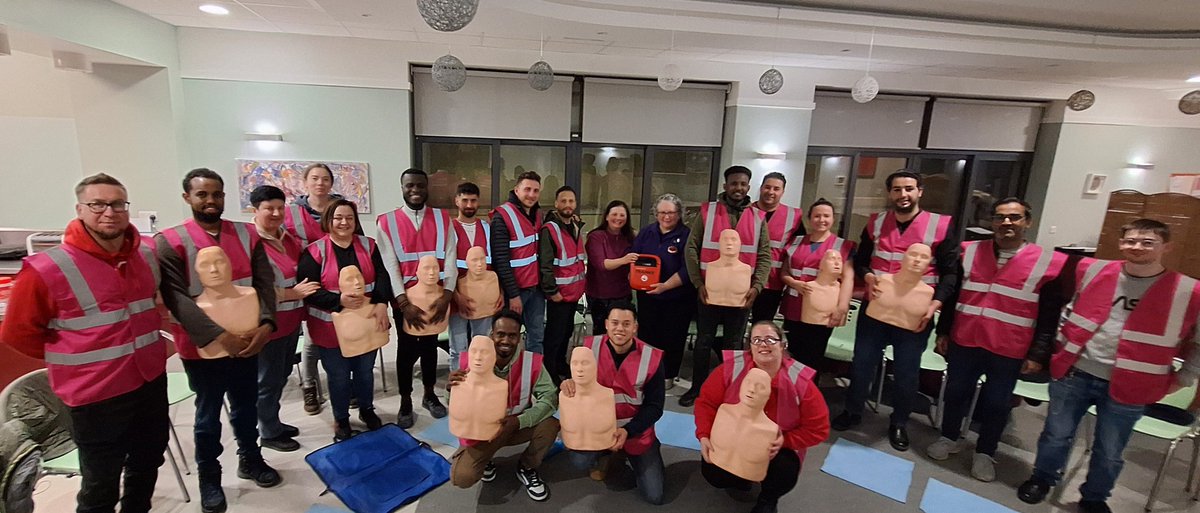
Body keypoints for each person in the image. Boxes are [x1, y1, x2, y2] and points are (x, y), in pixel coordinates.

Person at [1, 174, 169, 513]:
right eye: (98, 204)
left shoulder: (145, 256)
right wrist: (76, 358)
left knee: (148, 460)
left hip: (149, 379)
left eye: (118, 204)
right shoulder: (47, 268)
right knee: (100, 481)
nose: (109, 212)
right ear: (80, 209)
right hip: (96, 393)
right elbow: (18, 334)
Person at [1017, 219, 1200, 513]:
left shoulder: (1189, 290)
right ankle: (1042, 478)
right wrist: (1063, 344)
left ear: (1167, 247)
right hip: (1075, 372)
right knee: (1055, 435)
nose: (1137, 247)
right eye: (1130, 240)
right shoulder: (1094, 269)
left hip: (1132, 384)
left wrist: (1186, 378)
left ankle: (1094, 498)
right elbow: (1071, 309)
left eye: (1147, 242)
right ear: (1121, 242)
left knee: (1110, 450)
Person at [156, 168, 281, 513]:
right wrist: (218, 336)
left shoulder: (246, 235)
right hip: (202, 348)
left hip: (248, 339)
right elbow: (176, 297)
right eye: (202, 195)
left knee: (245, 406)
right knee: (207, 415)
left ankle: (250, 458)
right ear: (187, 198)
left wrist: (267, 324)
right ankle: (209, 477)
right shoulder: (170, 241)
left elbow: (264, 282)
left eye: (217, 194)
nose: (210, 201)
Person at [925, 198, 1069, 481]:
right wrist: (943, 331)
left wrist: (1038, 353)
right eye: (1000, 218)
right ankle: (949, 437)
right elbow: (953, 297)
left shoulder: (1048, 262)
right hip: (965, 339)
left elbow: (1049, 315)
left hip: (1009, 347)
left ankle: (985, 453)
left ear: (1027, 222)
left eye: (1014, 218)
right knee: (955, 394)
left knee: (997, 403)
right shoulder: (968, 252)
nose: (1006, 223)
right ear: (991, 222)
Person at [832, 170, 959, 453]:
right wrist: (867, 277)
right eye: (897, 189)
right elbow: (862, 261)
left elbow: (951, 274)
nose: (903, 194)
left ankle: (899, 422)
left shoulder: (939, 226)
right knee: (862, 362)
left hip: (914, 314)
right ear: (890, 193)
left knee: (906, 371)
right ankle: (853, 410)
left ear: (919, 192)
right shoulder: (876, 223)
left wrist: (935, 305)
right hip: (876, 308)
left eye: (909, 189)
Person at [694, 321, 829, 513]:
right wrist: (704, 435)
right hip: (734, 438)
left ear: (783, 345)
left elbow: (819, 429)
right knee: (713, 472)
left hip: (776, 449)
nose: (763, 344)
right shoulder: (731, 369)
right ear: (749, 346)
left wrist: (785, 440)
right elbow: (706, 403)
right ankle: (739, 478)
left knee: (784, 470)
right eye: (756, 340)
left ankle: (768, 498)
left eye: (771, 339)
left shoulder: (800, 382)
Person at [298, 199, 392, 442]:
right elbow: (308, 291)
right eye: (338, 217)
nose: (344, 222)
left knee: (364, 372)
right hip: (330, 331)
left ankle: (367, 410)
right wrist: (339, 300)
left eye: (349, 218)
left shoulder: (369, 245)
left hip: (366, 324)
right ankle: (340, 419)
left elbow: (382, 277)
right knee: (338, 376)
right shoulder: (314, 252)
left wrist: (382, 303)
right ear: (328, 220)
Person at [680, 166, 771, 407]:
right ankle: (698, 389)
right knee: (704, 341)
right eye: (734, 184)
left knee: (734, 344)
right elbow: (691, 248)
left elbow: (764, 255)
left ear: (748, 187)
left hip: (741, 296)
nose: (738, 188)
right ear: (725, 186)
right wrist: (697, 283)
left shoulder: (758, 217)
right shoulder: (708, 212)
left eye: (743, 184)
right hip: (708, 292)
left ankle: (730, 391)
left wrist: (757, 287)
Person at [448, 310, 560, 502]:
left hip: (516, 425)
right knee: (461, 478)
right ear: (491, 334)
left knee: (551, 425)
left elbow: (549, 398)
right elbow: (456, 408)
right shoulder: (471, 361)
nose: (506, 340)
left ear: (519, 337)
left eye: (512, 335)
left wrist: (519, 421)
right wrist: (450, 389)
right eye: (500, 334)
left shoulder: (531, 362)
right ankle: (486, 459)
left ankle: (527, 467)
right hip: (482, 433)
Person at [562, 302, 666, 505]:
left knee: (655, 495)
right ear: (607, 324)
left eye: (627, 324)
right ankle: (605, 455)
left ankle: (646, 452)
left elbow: (655, 407)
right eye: (615, 323)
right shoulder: (588, 348)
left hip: (635, 432)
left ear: (635, 327)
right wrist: (568, 382)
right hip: (595, 429)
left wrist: (629, 430)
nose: (620, 329)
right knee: (578, 461)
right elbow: (572, 378)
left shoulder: (651, 358)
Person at [376, 168, 457, 428]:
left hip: (436, 297)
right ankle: (405, 400)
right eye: (410, 186)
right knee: (407, 350)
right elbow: (391, 265)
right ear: (402, 188)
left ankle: (430, 394)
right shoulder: (386, 222)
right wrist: (403, 303)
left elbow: (452, 256)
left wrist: (447, 294)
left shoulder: (443, 218)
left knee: (430, 347)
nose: (415, 190)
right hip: (407, 301)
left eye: (420, 185)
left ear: (427, 187)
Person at [249, 185, 320, 452]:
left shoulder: (288, 238)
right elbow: (250, 289)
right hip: (268, 324)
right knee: (267, 380)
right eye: (269, 208)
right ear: (255, 210)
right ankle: (267, 432)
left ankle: (273, 423)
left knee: (281, 375)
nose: (276, 213)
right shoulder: (250, 242)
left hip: (292, 322)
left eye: (280, 208)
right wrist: (291, 293)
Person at [778, 199, 855, 375]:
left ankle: (809, 396)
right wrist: (794, 283)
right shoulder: (795, 242)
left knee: (813, 356)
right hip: (794, 307)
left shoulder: (842, 246)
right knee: (791, 353)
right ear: (809, 218)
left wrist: (841, 307)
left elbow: (848, 278)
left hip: (822, 310)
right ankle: (790, 393)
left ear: (833, 218)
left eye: (826, 216)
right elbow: (784, 273)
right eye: (817, 216)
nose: (821, 220)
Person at [287, 163, 340, 416]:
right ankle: (310, 385)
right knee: (312, 339)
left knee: (340, 335)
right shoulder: (293, 213)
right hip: (310, 281)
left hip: (339, 281)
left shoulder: (341, 207)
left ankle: (343, 385)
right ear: (305, 183)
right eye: (315, 178)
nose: (320, 183)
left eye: (325, 179)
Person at [631, 193, 696, 389]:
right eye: (661, 212)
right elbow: (634, 257)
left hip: (676, 298)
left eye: (671, 212)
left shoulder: (687, 235)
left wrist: (665, 286)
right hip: (648, 296)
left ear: (679, 213)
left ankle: (668, 377)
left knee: (672, 337)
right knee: (647, 335)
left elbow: (688, 268)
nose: (666, 217)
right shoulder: (646, 232)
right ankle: (646, 373)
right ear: (655, 213)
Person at [490, 171, 546, 353]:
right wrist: (513, 294)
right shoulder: (502, 216)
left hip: (536, 290)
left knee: (536, 337)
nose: (531, 194)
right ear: (516, 190)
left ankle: (534, 376)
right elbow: (501, 260)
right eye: (527, 189)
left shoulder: (538, 215)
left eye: (536, 190)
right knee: (507, 339)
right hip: (515, 292)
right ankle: (506, 377)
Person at [539, 186, 586, 382]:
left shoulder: (574, 226)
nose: (568, 205)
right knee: (554, 337)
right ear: (556, 204)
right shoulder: (550, 229)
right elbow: (545, 264)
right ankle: (550, 374)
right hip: (559, 295)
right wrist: (552, 291)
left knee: (566, 332)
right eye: (564, 201)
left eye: (571, 201)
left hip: (573, 293)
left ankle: (560, 364)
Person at [750, 172, 806, 323]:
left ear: (783, 192)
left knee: (762, 324)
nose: (771, 192)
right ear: (761, 188)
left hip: (772, 283)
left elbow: (798, 250)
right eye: (767, 187)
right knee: (736, 325)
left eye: (776, 189)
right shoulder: (746, 211)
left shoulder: (793, 216)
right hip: (743, 278)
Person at [449, 182, 492, 366]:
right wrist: (455, 295)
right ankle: (458, 390)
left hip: (483, 296)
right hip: (457, 296)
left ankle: (480, 384)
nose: (469, 205)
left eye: (473, 201)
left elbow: (492, 264)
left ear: (478, 202)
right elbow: (445, 265)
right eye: (465, 200)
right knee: (458, 348)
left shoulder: (487, 227)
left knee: (482, 344)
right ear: (456, 201)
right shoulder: (448, 228)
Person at [584, 200, 636, 335]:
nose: (618, 218)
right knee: (601, 334)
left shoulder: (631, 237)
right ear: (606, 216)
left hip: (623, 294)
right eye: (614, 214)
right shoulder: (596, 237)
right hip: (599, 296)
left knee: (621, 333)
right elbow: (601, 264)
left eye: (622, 215)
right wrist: (624, 260)